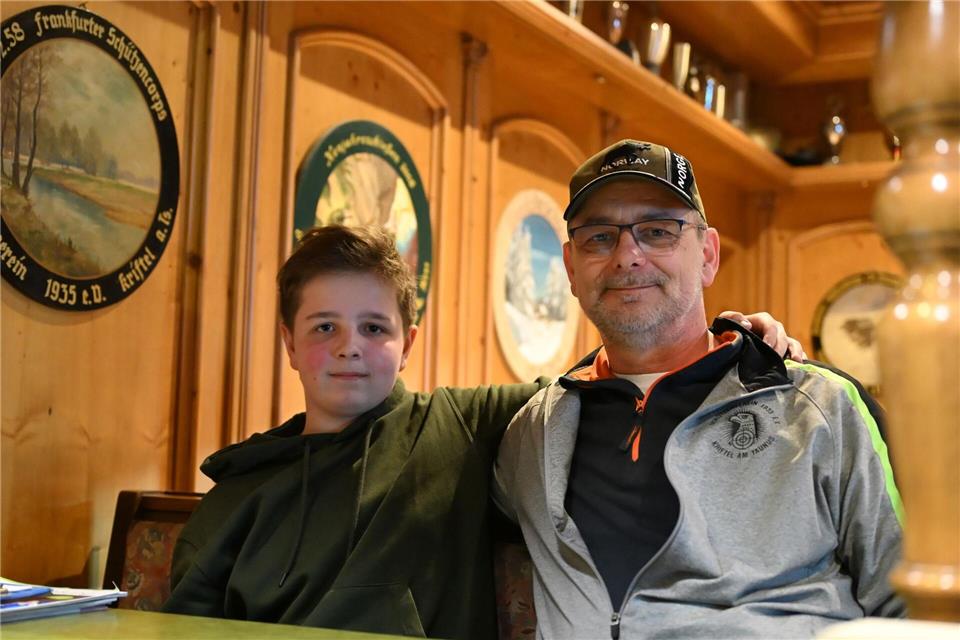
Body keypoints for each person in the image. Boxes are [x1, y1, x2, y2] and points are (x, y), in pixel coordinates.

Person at [164, 223, 798, 638]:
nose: (349, 347)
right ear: (289, 343)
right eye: (324, 327)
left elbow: (602, 382)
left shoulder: (458, 426)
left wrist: (724, 344)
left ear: (408, 344)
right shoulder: (241, 491)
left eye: (374, 328)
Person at [493, 140, 905, 640]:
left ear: (707, 255)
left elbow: (915, 600)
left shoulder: (821, 408)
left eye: (657, 231)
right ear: (571, 268)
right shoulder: (534, 432)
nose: (627, 256)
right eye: (599, 237)